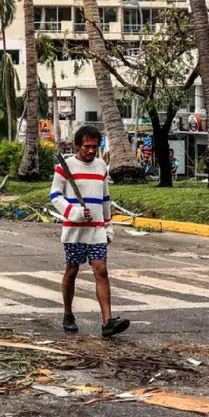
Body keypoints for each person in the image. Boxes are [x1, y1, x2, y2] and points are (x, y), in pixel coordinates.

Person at [50, 125, 130, 338]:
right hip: (74, 230)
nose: (91, 151)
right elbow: (55, 196)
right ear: (77, 146)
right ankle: (68, 314)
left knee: (101, 270)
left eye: (95, 146)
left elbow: (105, 199)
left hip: (96, 230)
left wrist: (108, 226)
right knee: (72, 270)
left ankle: (107, 322)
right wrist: (74, 212)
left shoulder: (101, 167)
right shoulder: (65, 167)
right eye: (87, 146)